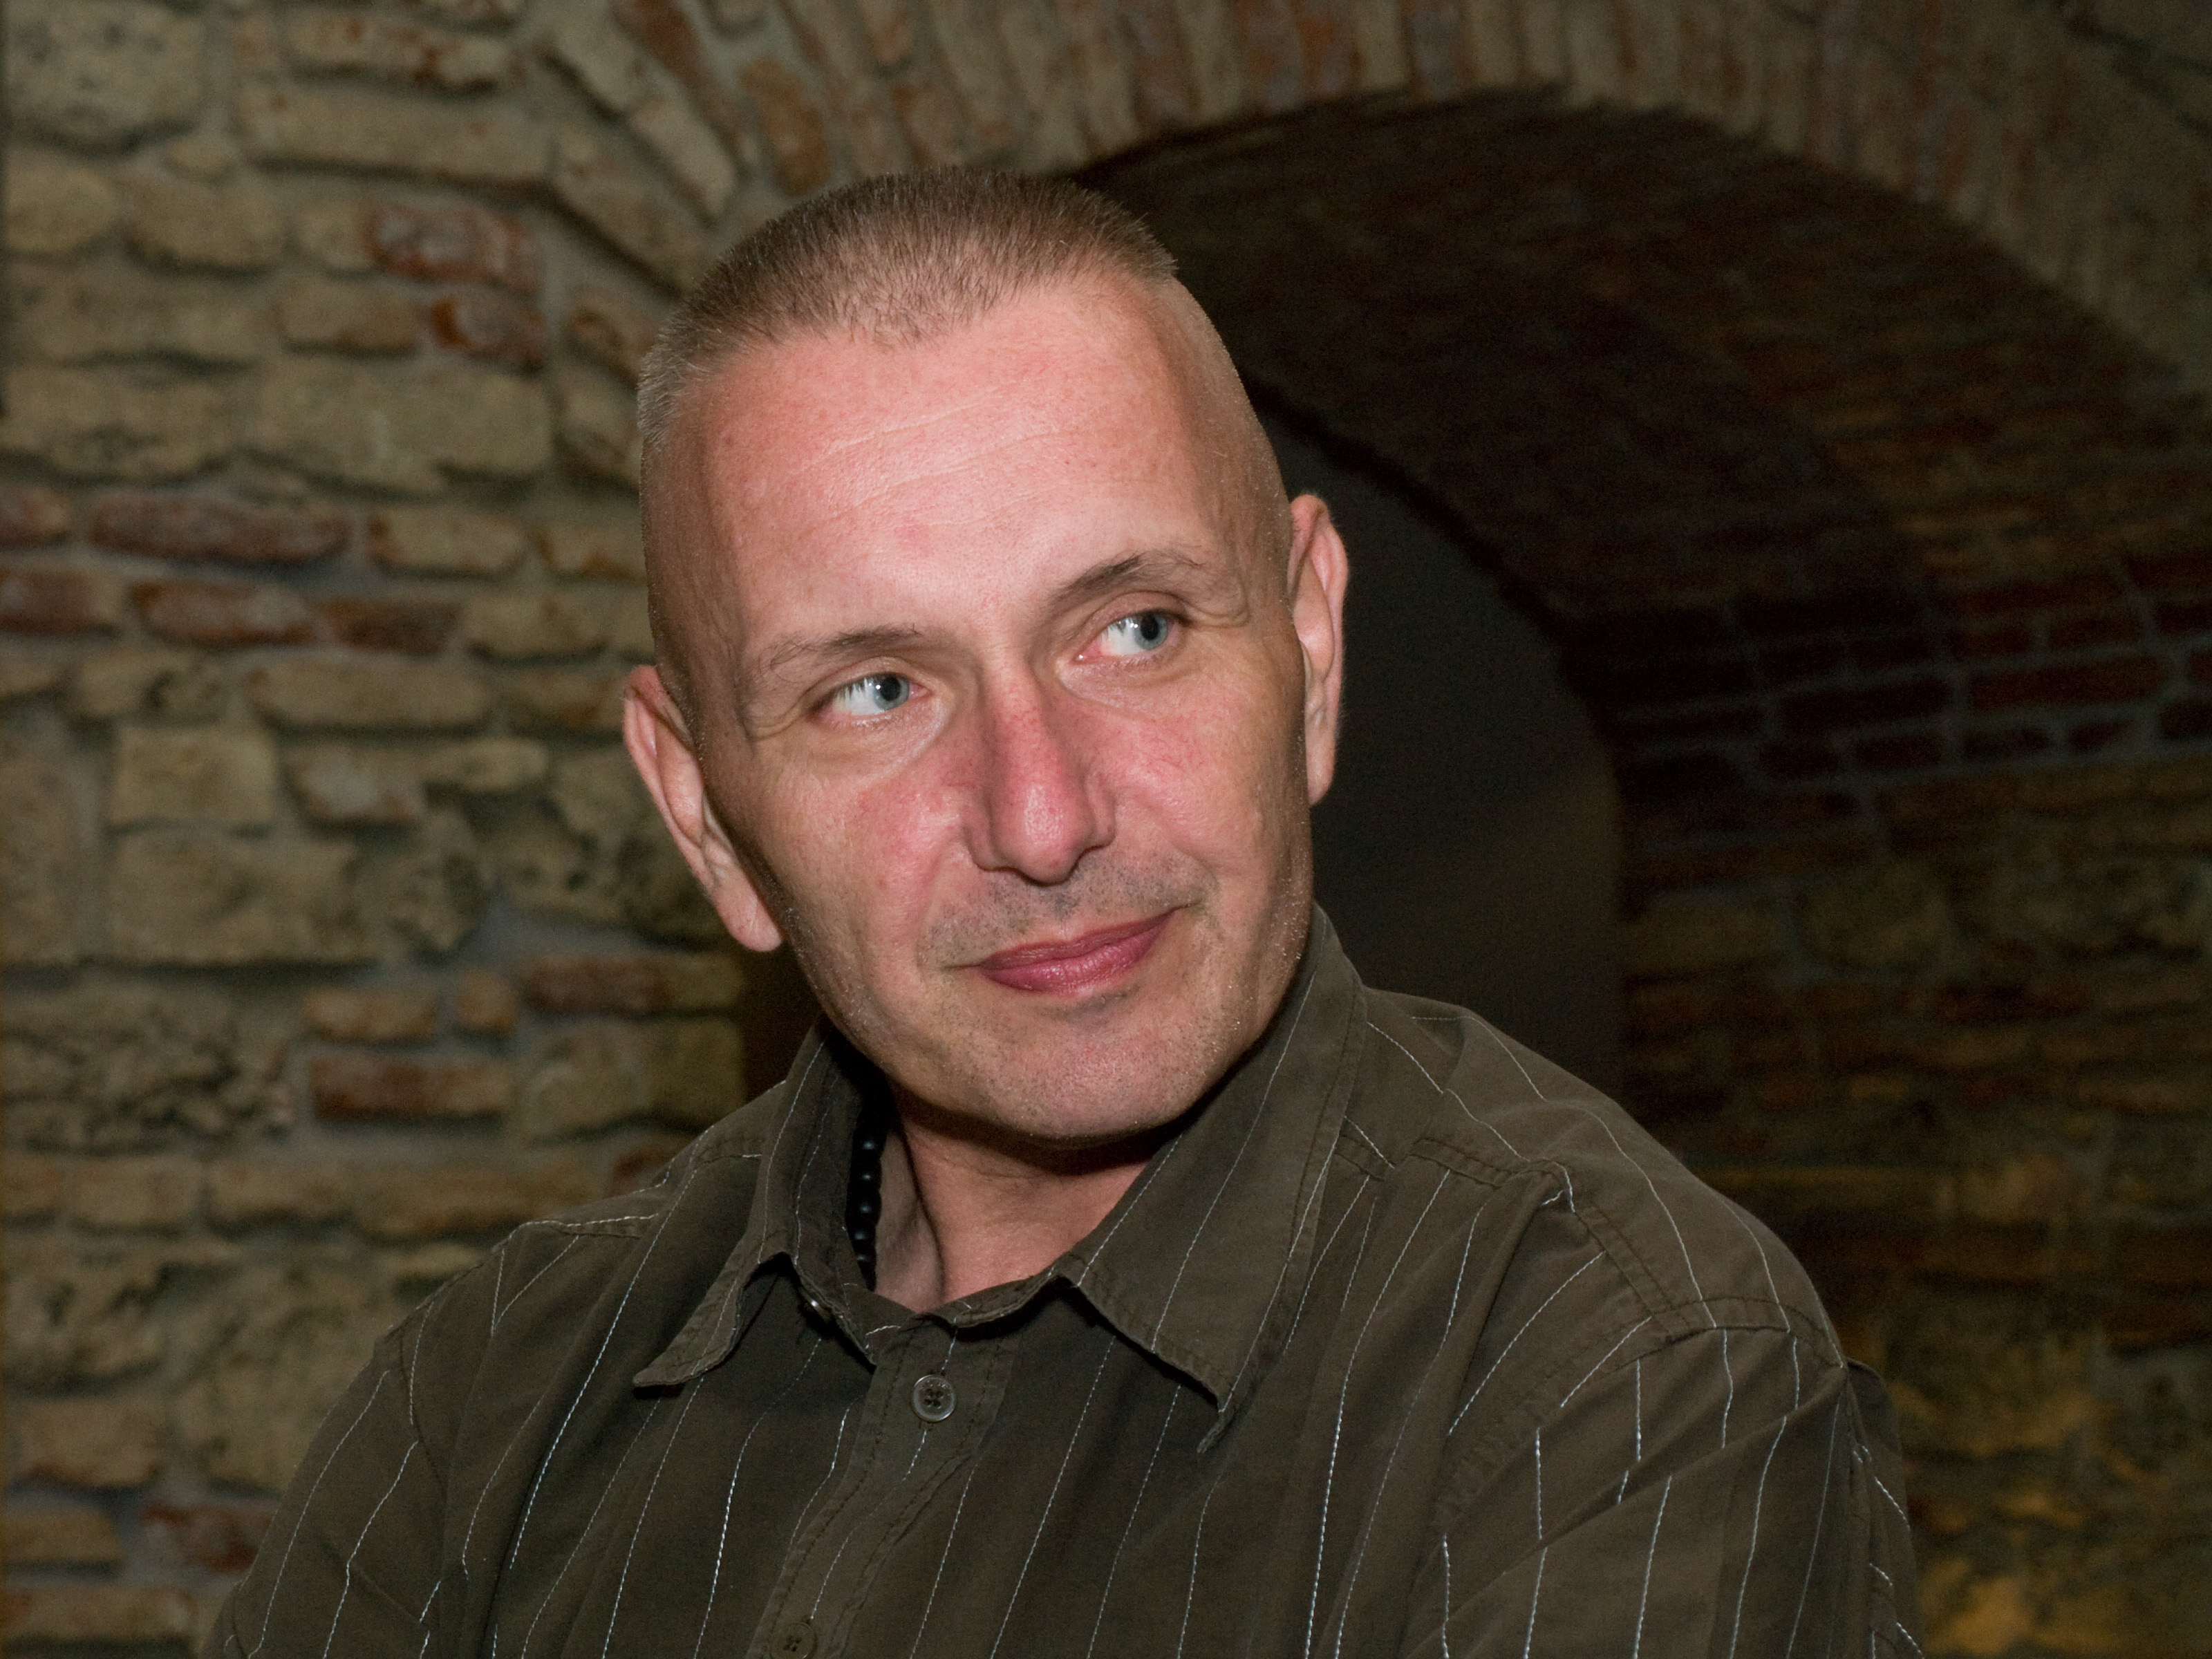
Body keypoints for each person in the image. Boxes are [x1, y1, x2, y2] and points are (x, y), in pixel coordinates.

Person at [207, 170, 1921, 1658]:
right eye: (876, 690)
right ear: (704, 815)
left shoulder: (1620, 1374)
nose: (1041, 818)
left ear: (1311, 654)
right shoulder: (489, 1399)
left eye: (1135, 631)